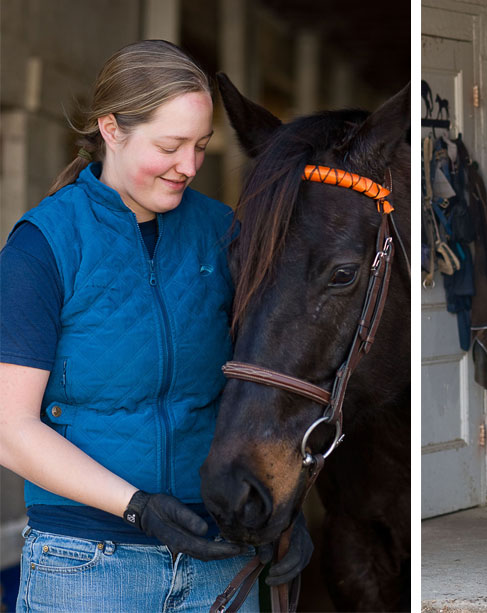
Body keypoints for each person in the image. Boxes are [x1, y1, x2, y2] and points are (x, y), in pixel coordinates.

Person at [0, 39, 309, 612]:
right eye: (169, 146)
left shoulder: (226, 233)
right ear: (111, 128)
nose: (190, 166)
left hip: (221, 559)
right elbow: (10, 431)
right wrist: (136, 505)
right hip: (86, 567)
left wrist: (281, 507)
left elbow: (269, 387)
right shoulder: (42, 246)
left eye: (201, 145)